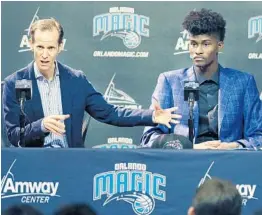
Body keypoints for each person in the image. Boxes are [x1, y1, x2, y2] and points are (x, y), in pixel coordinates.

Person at [2, 18, 181, 148]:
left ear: (60, 46)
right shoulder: (14, 83)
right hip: (33, 165)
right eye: (40, 47)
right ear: (30, 44)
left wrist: (151, 116)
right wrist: (40, 126)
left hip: (72, 163)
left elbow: (111, 113)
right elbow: (13, 136)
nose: (45, 54)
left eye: (51, 48)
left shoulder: (76, 80)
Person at [141, 8, 262, 149]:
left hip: (229, 162)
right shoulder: (170, 81)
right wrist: (189, 147)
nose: (198, 51)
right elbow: (149, 137)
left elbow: (258, 136)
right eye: (193, 44)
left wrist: (234, 146)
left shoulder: (243, 83)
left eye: (206, 44)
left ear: (220, 46)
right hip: (183, 163)